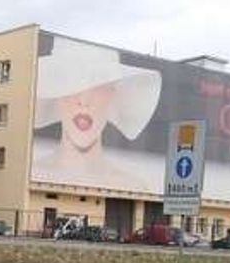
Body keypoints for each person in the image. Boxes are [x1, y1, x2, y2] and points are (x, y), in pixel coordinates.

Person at [32, 37, 162, 192]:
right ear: (57, 92)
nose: (84, 101)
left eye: (97, 85)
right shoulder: (32, 175)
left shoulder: (131, 187)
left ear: (113, 93)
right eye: (71, 83)